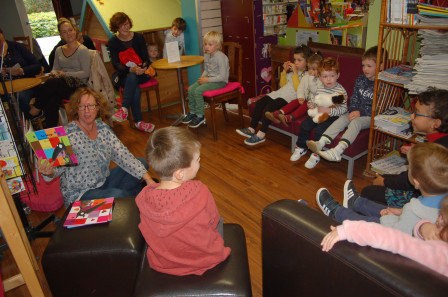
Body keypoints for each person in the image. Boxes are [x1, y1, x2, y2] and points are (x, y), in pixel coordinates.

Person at [136, 126, 231, 276]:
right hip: (205, 260)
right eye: (198, 160)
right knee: (218, 220)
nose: (200, 163)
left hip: (164, 264)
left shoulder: (143, 199)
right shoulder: (200, 192)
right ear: (180, 174)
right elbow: (213, 222)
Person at [37, 87, 154, 208]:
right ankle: (134, 195)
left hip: (103, 182)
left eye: (91, 106)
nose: (86, 111)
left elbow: (123, 155)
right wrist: (49, 172)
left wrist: (148, 179)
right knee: (119, 194)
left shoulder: (103, 128)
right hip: (80, 195)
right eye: (81, 106)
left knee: (142, 163)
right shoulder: (67, 134)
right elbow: (55, 170)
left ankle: (130, 196)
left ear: (98, 107)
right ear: (76, 109)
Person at [316, 142, 448, 235]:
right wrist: (400, 212)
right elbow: (421, 215)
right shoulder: (440, 200)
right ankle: (357, 202)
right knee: (385, 210)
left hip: (391, 232)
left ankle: (338, 213)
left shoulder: (413, 210)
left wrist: (389, 218)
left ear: (416, 181)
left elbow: (395, 235)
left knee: (372, 221)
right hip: (406, 222)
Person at [320, 194, 448, 278]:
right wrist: (423, 226)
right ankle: (354, 204)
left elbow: (393, 239)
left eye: (441, 219)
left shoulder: (439, 255)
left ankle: (337, 212)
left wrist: (348, 229)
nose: (438, 219)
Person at [362, 87, 448, 208]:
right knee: (384, 178)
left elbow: (411, 180)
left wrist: (384, 182)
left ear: (436, 123)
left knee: (369, 191)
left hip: (426, 199)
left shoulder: (438, 150)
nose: (412, 116)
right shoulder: (438, 142)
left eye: (416, 113)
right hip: (425, 188)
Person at [307, 46, 379, 163]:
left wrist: (361, 112)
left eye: (369, 66)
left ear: (380, 66)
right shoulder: (360, 79)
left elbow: (380, 107)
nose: (365, 69)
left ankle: (337, 151)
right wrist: (354, 110)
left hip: (371, 115)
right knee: (342, 118)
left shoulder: (382, 83)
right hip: (355, 112)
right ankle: (321, 142)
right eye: (363, 65)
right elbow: (354, 97)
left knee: (356, 122)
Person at [236, 45, 312, 145]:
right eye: (295, 60)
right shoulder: (293, 72)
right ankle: (251, 129)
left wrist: (294, 73)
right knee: (259, 103)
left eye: (299, 60)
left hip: (289, 98)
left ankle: (261, 135)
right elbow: (282, 84)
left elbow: (298, 90)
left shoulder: (307, 75)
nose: (296, 62)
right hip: (279, 93)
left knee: (269, 108)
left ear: (307, 62)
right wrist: (284, 71)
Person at [29, 18, 91, 128]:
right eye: (64, 32)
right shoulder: (59, 50)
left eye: (70, 30)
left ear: (75, 31)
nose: (68, 34)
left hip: (78, 87)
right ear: (61, 35)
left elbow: (85, 73)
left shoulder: (82, 50)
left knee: (52, 84)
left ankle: (36, 109)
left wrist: (65, 74)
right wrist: (55, 73)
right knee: (52, 97)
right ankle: (52, 131)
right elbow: (54, 69)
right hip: (62, 85)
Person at [290, 57, 347, 168]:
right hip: (318, 112)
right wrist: (311, 105)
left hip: (332, 116)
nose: (329, 79)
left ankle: (315, 155)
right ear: (320, 77)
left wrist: (329, 110)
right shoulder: (320, 87)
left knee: (319, 130)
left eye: (332, 76)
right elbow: (315, 99)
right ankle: (300, 147)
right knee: (305, 125)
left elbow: (344, 109)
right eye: (325, 77)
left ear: (338, 75)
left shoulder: (340, 91)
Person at [108, 12, 155, 132]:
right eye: (122, 25)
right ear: (116, 27)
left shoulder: (138, 37)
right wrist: (131, 69)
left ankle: (124, 109)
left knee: (134, 79)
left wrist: (142, 68)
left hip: (142, 73)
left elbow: (146, 59)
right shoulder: (113, 42)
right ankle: (139, 122)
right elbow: (115, 64)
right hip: (124, 75)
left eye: (127, 24)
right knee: (134, 82)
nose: (126, 27)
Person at [182, 31, 229, 128]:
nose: (207, 47)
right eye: (205, 44)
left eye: (210, 44)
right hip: (209, 79)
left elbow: (223, 76)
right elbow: (207, 70)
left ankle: (200, 116)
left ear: (218, 45)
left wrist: (207, 80)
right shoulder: (207, 55)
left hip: (220, 82)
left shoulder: (220, 57)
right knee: (191, 89)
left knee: (198, 91)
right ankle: (192, 112)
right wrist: (203, 77)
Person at [265, 52, 324, 127]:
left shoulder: (321, 80)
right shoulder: (306, 77)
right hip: (306, 99)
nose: (311, 71)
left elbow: (314, 90)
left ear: (321, 69)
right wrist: (300, 97)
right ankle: (279, 113)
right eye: (309, 68)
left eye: (314, 69)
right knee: (295, 101)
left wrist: (311, 78)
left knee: (305, 105)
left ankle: (290, 117)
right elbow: (300, 88)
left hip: (315, 104)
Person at [0, 27, 41, 119]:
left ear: (2, 34)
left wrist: (22, 71)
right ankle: (27, 117)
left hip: (27, 85)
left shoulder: (17, 47)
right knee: (7, 100)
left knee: (18, 98)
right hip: (5, 89)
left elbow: (37, 66)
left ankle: (27, 119)